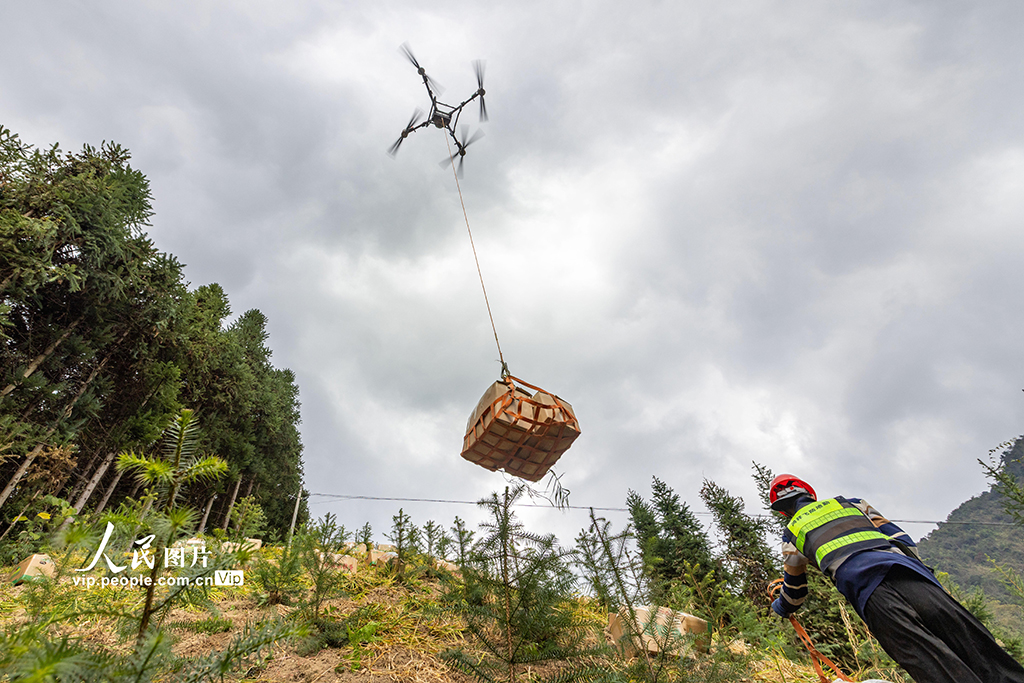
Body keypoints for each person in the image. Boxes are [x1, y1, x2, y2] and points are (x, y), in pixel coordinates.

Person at [767, 474, 1024, 683]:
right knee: (978, 648)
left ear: (782, 512)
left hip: (871, 595)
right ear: (810, 493)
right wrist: (923, 574)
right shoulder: (852, 503)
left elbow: (795, 592)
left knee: (932, 664)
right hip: (910, 575)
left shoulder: (792, 533)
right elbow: (901, 539)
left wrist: (778, 605)